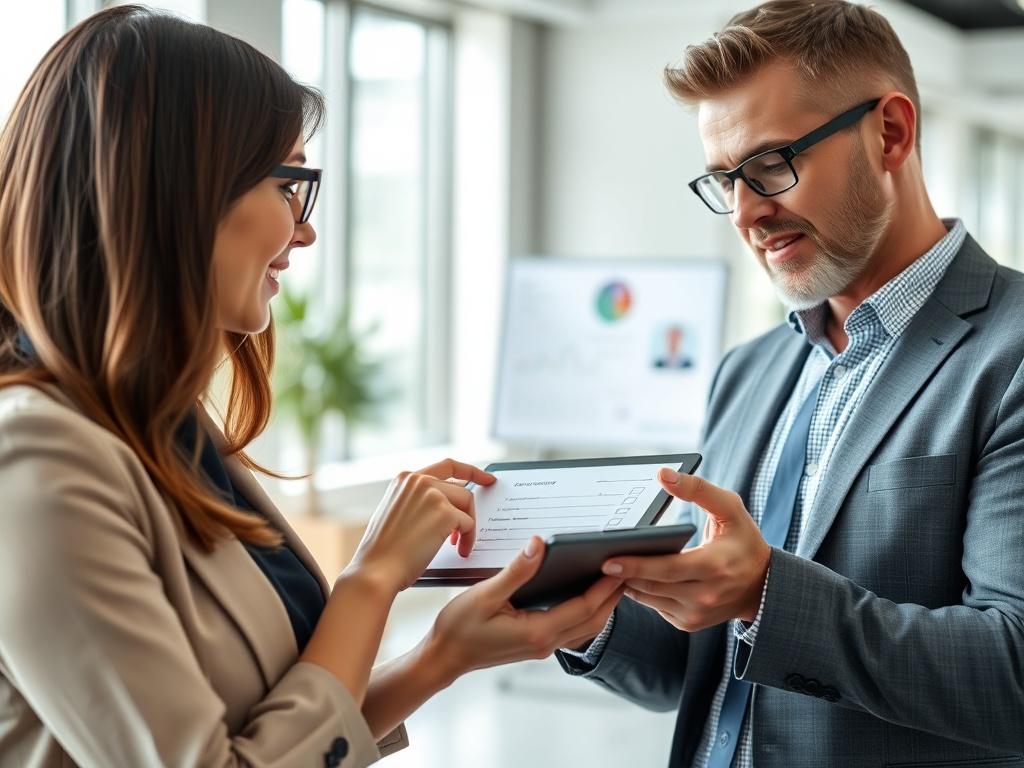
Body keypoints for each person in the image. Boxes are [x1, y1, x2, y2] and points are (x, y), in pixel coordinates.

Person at [0, 6, 623, 767]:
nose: (305, 231)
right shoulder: (32, 457)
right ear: (180, 192)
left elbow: (267, 734)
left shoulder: (163, 429)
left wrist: (441, 656)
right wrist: (370, 582)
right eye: (289, 184)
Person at [553, 2, 1024, 766]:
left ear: (891, 134)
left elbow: (1012, 674)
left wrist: (766, 594)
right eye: (722, 181)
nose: (745, 213)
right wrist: (573, 607)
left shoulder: (1012, 353)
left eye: (771, 165)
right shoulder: (749, 372)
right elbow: (690, 668)